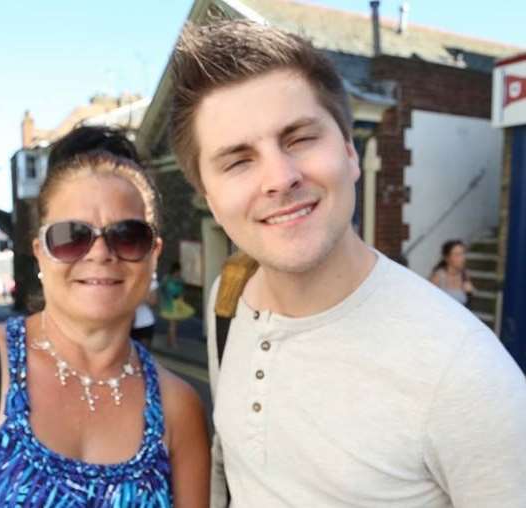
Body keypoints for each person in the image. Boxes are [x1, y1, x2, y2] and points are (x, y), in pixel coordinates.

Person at [168, 20, 526, 508]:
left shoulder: (468, 376)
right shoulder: (226, 299)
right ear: (209, 196)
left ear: (350, 153)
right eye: (238, 160)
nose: (280, 177)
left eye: (298, 138)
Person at [0, 126, 210, 507]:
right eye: (71, 236)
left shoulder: (179, 408)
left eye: (127, 235)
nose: (99, 253)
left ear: (154, 254)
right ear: (40, 252)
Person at [159, 262, 194, 348]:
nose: (179, 273)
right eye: (178, 271)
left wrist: (182, 299)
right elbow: (162, 289)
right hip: (170, 304)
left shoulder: (180, 279)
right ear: (175, 270)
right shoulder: (167, 279)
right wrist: (165, 298)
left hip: (177, 303)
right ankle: (173, 343)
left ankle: (169, 341)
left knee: (173, 324)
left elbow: (182, 291)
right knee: (172, 324)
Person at [430, 239, 474, 306]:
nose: (462, 258)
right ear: (447, 258)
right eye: (457, 255)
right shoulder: (438, 276)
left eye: (463, 253)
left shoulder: (464, 274)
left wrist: (470, 293)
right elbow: (429, 301)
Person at [131, 271, 159, 349]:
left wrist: (135, 297)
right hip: (122, 325)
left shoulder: (150, 279)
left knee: (143, 356)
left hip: (144, 323)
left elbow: (153, 301)